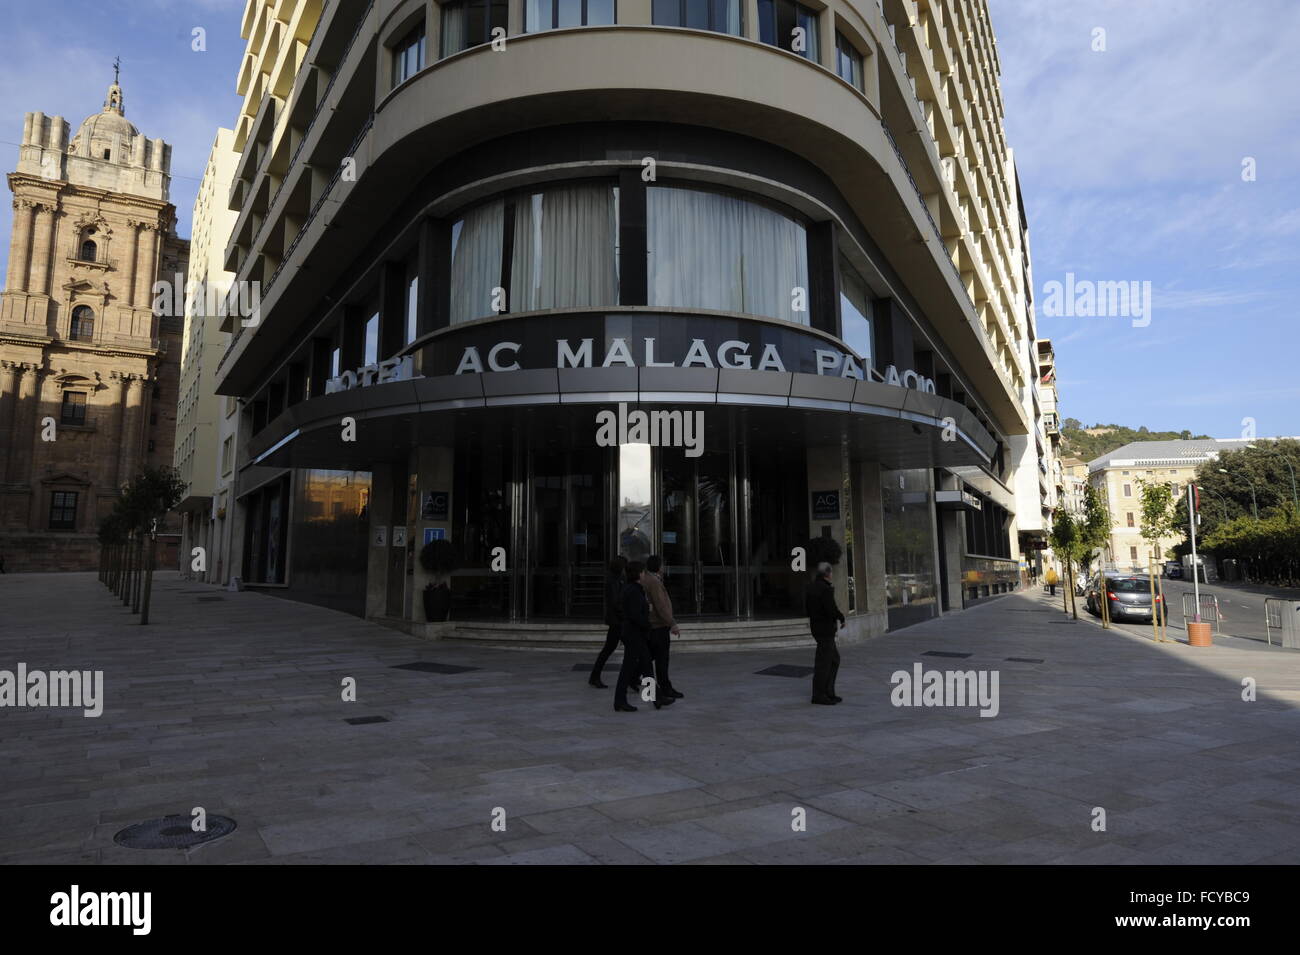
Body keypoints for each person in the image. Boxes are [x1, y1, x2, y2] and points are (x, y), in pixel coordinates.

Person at [615, 562, 673, 712]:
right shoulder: (633, 590)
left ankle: (656, 698)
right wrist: (647, 622)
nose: (643, 574)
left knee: (647, 667)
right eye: (642, 572)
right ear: (638, 574)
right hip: (634, 634)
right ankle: (620, 700)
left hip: (636, 634)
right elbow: (635, 615)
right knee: (628, 668)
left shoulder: (632, 588)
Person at [640, 555, 684, 700]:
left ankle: (632, 677)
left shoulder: (648, 579)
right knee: (661, 659)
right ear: (658, 567)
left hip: (653, 625)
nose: (664, 567)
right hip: (659, 626)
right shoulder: (654, 582)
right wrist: (672, 623)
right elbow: (661, 605)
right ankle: (665, 688)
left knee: (650, 657)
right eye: (662, 565)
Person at [804, 562, 844, 705]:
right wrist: (841, 617)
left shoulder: (811, 587)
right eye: (831, 572)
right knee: (824, 663)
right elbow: (831, 609)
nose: (832, 575)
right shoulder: (825, 589)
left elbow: (807, 608)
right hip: (826, 630)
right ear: (827, 574)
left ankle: (828, 692)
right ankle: (819, 695)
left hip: (817, 628)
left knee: (834, 660)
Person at [589, 556, 627, 688]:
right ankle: (595, 676)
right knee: (609, 649)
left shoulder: (618, 579)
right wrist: (624, 614)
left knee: (632, 649)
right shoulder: (613, 580)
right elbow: (615, 602)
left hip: (618, 620)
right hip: (617, 621)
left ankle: (632, 677)